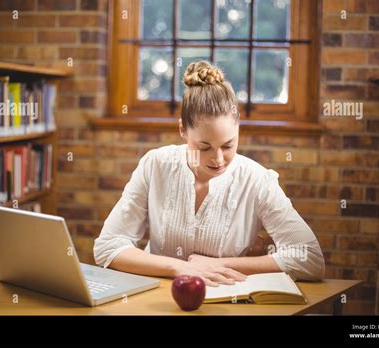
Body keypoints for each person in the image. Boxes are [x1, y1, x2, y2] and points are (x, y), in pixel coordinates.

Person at [94, 60, 325, 287]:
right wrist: (181, 267)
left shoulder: (256, 180)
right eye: (204, 147)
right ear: (182, 129)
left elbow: (310, 258)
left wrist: (219, 264)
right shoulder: (155, 165)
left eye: (228, 145)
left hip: (226, 302)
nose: (218, 159)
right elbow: (108, 246)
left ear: (238, 127)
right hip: (157, 302)